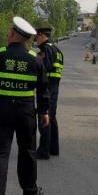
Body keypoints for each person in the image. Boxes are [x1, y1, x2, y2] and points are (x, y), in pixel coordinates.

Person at [0, 16, 50, 195]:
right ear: (26, 39)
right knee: (27, 150)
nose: (8, 33)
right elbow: (44, 88)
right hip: (26, 111)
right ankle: (29, 190)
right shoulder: (35, 58)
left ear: (14, 34)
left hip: (2, 110)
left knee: (0, 151)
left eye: (10, 31)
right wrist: (44, 112)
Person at [34, 24, 63, 159]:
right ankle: (53, 148)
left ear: (42, 35)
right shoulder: (57, 49)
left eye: (37, 37)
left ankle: (43, 151)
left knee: (44, 117)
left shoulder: (45, 49)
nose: (36, 40)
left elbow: (44, 69)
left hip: (47, 87)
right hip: (55, 86)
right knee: (52, 118)